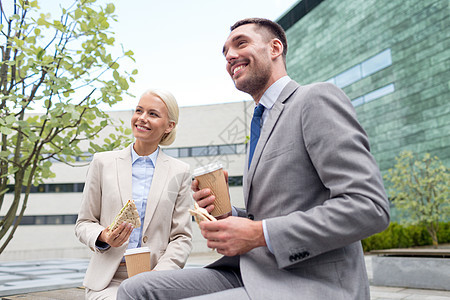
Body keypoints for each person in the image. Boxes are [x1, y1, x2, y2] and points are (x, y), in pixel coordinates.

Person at [117, 18, 390, 300]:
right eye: (224, 52)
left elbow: (369, 207)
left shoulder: (314, 99)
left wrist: (259, 234)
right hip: (252, 270)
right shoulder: (260, 121)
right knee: (135, 288)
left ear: (274, 48)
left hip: (309, 281)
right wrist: (228, 216)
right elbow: (268, 215)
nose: (229, 56)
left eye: (241, 43)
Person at [75, 89, 193, 299]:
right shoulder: (102, 163)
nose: (142, 118)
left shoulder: (181, 172)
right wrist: (104, 236)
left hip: (156, 278)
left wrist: (158, 276)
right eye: (139, 110)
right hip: (108, 281)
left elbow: (181, 237)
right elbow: (84, 222)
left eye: (153, 114)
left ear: (169, 126)